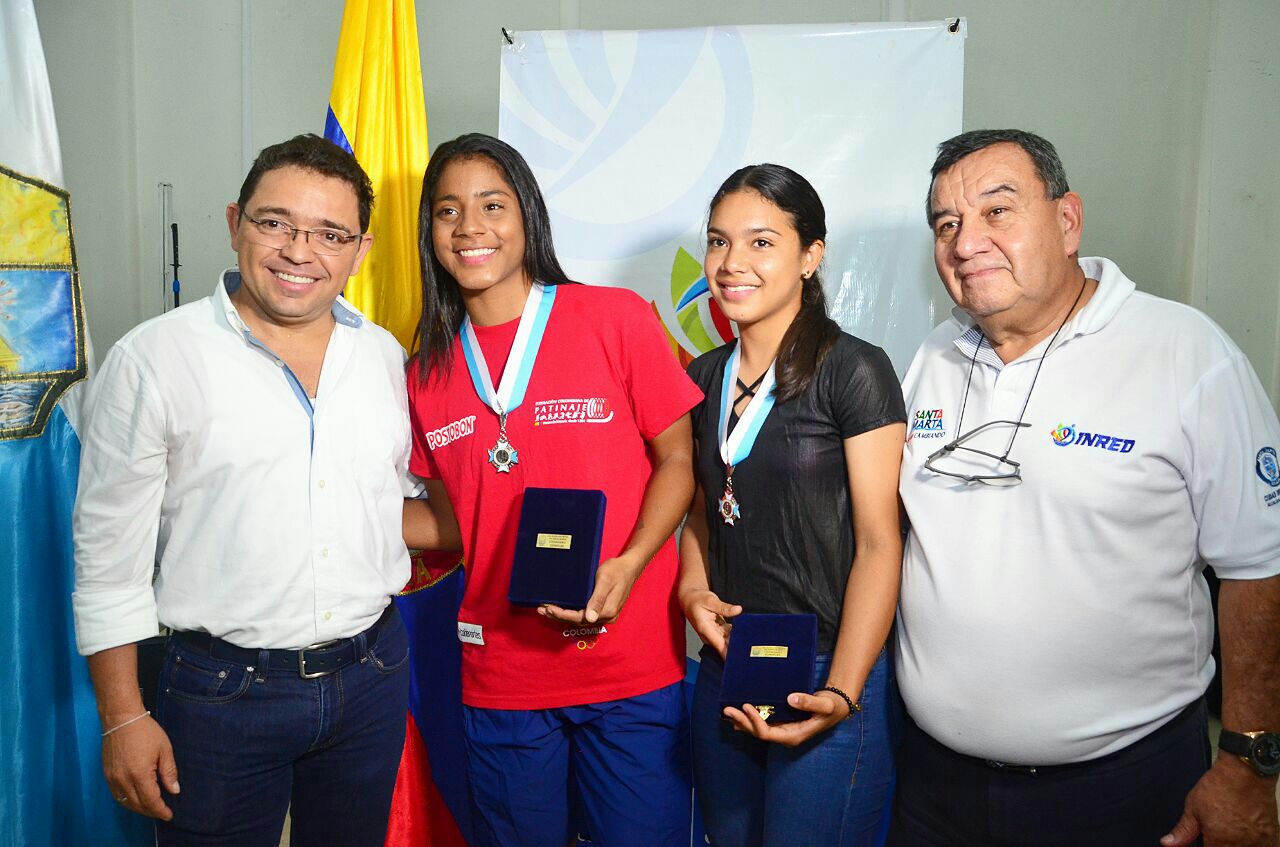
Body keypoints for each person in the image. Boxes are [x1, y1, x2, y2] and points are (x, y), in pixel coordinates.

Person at [893, 129, 1280, 847]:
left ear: (1067, 221)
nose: (966, 242)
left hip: (1123, 790)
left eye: (997, 211)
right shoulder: (935, 354)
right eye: (946, 224)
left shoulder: (1184, 352)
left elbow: (1259, 568)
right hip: (932, 786)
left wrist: (1249, 760)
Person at [72, 134, 416, 847]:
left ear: (360, 251)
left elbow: (389, 504)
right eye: (275, 222)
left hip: (371, 676)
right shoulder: (153, 358)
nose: (299, 251)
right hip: (222, 694)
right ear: (235, 223)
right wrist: (123, 716)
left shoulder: (383, 355)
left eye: (330, 234)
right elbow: (107, 558)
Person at [401, 133, 702, 847]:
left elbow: (679, 463)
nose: (469, 227)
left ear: (527, 215)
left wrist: (628, 565)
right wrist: (326, 506)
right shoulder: (425, 374)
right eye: (447, 211)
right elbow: (455, 523)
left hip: (629, 667)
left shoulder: (615, 318)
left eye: (491, 205)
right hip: (501, 676)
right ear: (429, 232)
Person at [678, 164, 906, 846]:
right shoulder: (702, 376)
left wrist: (841, 690)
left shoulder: (854, 369)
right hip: (729, 665)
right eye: (718, 242)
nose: (731, 263)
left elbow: (880, 542)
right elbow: (700, 514)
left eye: (761, 242)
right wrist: (692, 589)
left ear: (811, 256)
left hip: (827, 667)